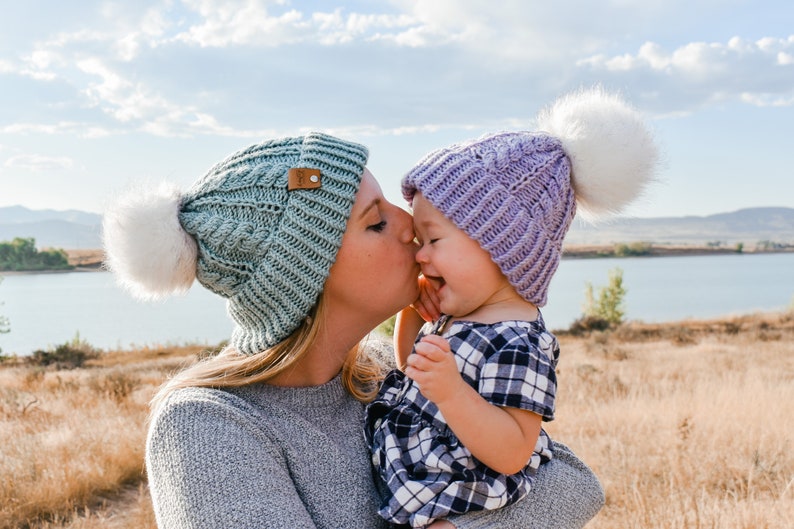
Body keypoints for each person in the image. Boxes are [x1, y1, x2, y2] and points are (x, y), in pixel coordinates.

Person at [102, 132, 606, 529]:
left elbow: (573, 482)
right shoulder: (208, 428)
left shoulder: (386, 372)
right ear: (309, 273)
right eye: (376, 222)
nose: (409, 222)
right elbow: (546, 492)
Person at [365, 87, 659, 528]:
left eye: (434, 240)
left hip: (461, 500)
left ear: (502, 247)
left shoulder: (518, 341)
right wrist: (412, 314)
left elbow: (512, 450)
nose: (420, 255)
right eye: (421, 242)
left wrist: (451, 391)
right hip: (416, 485)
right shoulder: (462, 311)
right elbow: (413, 372)